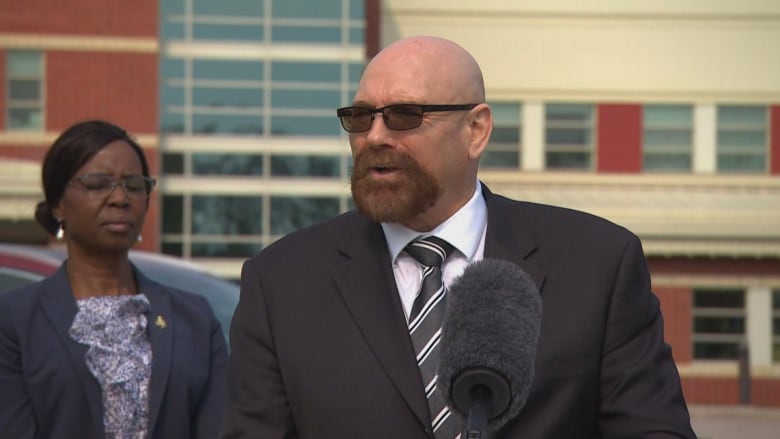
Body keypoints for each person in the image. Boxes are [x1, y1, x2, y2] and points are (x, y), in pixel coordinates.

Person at [221, 36, 696, 438]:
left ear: (476, 130)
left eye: (405, 115)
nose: (375, 137)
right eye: (361, 118)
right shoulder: (282, 282)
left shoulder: (597, 264)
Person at [0, 120, 227, 438]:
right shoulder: (14, 321)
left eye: (134, 185)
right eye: (98, 184)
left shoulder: (196, 319)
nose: (120, 198)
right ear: (58, 205)